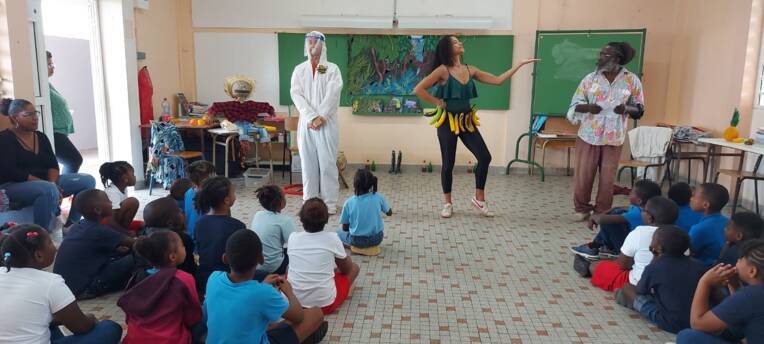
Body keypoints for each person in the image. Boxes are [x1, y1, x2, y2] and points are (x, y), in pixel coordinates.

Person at [413, 35, 537, 218]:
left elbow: (498, 80)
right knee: (448, 164)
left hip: (466, 121)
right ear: (448, 49)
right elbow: (418, 89)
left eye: (459, 41)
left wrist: (519, 64)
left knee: (485, 157)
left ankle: (479, 199)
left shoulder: (471, 70)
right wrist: (438, 102)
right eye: (455, 42)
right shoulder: (442, 70)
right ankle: (447, 203)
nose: (460, 43)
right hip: (447, 122)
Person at [0, 224, 123, 343]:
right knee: (109, 328)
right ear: (39, 255)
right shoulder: (50, 282)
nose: (55, 247)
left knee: (47, 323)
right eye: (50, 242)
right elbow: (81, 328)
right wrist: (90, 318)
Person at [205, 229, 328, 344]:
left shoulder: (214, 279)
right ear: (261, 259)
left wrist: (262, 288)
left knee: (265, 319)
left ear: (225, 258)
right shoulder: (263, 294)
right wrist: (289, 292)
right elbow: (298, 316)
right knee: (315, 313)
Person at [567, 42, 645, 222]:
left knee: (608, 178)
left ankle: (602, 210)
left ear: (617, 59)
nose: (600, 58)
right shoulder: (590, 79)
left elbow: (639, 109)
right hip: (588, 135)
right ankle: (582, 209)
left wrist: (626, 108)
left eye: (605, 55)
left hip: (613, 137)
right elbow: (574, 105)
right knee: (583, 175)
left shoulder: (631, 80)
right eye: (601, 54)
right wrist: (589, 107)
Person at [0, 98, 96, 230]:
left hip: (45, 182)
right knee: (48, 190)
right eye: (29, 115)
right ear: (15, 118)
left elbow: (53, 164)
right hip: (12, 185)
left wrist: (52, 183)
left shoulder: (41, 137)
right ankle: (42, 234)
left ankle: (71, 225)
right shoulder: (5, 139)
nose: (35, 118)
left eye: (35, 113)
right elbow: (12, 171)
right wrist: (48, 185)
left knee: (87, 181)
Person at [290, 31, 344, 215]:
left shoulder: (331, 69)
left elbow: (333, 94)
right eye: (309, 41)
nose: (311, 45)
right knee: (308, 163)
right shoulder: (300, 70)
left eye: (315, 42)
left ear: (323, 45)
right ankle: (309, 200)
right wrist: (312, 116)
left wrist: (321, 116)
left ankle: (329, 203)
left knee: (327, 164)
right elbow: (296, 95)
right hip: (307, 125)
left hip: (326, 124)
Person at [118, 230, 202, 344]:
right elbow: (193, 316)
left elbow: (129, 316)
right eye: (182, 245)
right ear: (172, 256)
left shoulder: (137, 277)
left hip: (135, 339)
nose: (184, 248)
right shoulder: (183, 279)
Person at [579, 196, 677, 294]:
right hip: (669, 286)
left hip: (638, 284)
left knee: (594, 266)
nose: (641, 212)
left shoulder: (640, 232)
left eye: (643, 210)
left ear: (650, 218)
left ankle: (630, 295)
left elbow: (622, 265)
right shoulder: (680, 234)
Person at [53, 189, 136, 299]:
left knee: (119, 255)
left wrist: (116, 249)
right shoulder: (99, 230)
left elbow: (90, 249)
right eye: (107, 200)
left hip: (67, 288)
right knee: (135, 257)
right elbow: (139, 244)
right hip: (84, 289)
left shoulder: (79, 225)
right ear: (98, 210)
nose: (111, 202)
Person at [677, 239, 764, 344]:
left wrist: (704, 282)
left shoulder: (751, 295)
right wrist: (734, 285)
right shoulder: (751, 294)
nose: (736, 263)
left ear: (752, 271)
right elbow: (739, 311)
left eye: (740, 260)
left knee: (687, 336)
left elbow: (697, 323)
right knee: (732, 327)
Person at [288, 198, 360, 314]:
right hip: (324, 305)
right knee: (355, 267)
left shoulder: (293, 237)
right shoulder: (332, 238)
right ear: (326, 220)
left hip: (294, 303)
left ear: (301, 219)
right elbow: (347, 270)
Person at [633, 225, 706, 334]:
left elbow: (641, 290)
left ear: (659, 248)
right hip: (698, 321)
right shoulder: (699, 265)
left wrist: (654, 257)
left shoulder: (654, 268)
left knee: (627, 290)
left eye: (653, 239)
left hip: (671, 323)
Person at [571, 179, 661, 259]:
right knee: (616, 211)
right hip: (642, 243)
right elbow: (621, 208)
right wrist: (606, 212)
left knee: (611, 218)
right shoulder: (647, 208)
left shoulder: (637, 213)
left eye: (632, 193)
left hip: (627, 247)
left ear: (639, 201)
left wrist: (593, 217)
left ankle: (608, 249)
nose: (629, 194)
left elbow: (602, 220)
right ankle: (597, 245)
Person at [194, 176, 246, 294]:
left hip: (203, 278)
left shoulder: (199, 223)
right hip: (227, 281)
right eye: (233, 192)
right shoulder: (237, 226)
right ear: (227, 200)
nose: (235, 196)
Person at [338, 168, 392, 256]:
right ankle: (367, 248)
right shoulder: (379, 197)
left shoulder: (349, 202)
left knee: (337, 233)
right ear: (372, 183)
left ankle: (355, 247)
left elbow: (345, 228)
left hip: (356, 240)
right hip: (377, 239)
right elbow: (389, 213)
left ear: (355, 184)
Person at [47, 51, 83, 175]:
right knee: (73, 160)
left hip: (59, 131)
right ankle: (65, 189)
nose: (52, 67)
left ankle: (64, 189)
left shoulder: (47, 84)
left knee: (72, 160)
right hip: (53, 132)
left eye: (52, 63)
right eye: (48, 64)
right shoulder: (39, 86)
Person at [251, 184, 295, 282]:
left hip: (256, 265)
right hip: (275, 267)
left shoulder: (258, 215)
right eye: (284, 196)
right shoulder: (285, 220)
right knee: (296, 252)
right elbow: (294, 243)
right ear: (280, 202)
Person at [143, 197, 197, 275]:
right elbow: (189, 265)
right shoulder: (180, 239)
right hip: (179, 277)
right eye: (178, 210)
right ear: (170, 223)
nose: (182, 211)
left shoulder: (145, 233)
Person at [689, 183, 730, 267]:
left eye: (694, 196)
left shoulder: (698, 229)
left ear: (706, 205)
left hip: (705, 269)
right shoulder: (728, 221)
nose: (691, 199)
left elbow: (686, 252)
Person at [99, 161, 141, 234]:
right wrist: (126, 232)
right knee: (133, 202)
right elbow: (109, 220)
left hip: (114, 223)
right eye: (133, 174)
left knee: (142, 224)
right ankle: (122, 234)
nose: (135, 176)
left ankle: (124, 230)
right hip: (105, 226)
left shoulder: (122, 189)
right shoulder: (112, 193)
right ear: (125, 179)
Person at [183, 161, 215, 240]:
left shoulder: (188, 192)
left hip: (189, 234)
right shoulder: (209, 196)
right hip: (201, 238)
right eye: (213, 177)